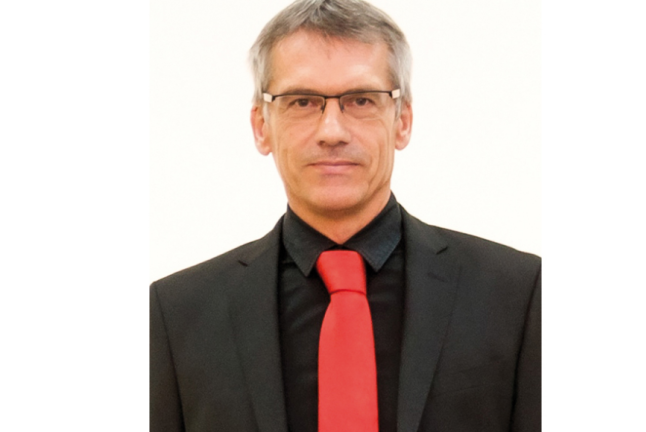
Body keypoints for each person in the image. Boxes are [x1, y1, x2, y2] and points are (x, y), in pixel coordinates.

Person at [150, 0, 541, 431]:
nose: (332, 131)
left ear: (403, 120)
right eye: (302, 101)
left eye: (361, 100)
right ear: (261, 126)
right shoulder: (176, 315)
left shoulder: (518, 296)